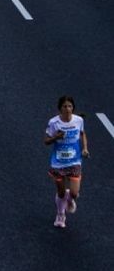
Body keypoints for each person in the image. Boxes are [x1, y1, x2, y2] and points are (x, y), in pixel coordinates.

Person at [45, 95, 89, 229]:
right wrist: (56, 137)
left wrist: (85, 148)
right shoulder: (54, 123)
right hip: (58, 163)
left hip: (75, 161)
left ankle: (70, 199)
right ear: (60, 108)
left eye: (70, 106)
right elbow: (46, 141)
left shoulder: (78, 120)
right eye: (65, 106)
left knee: (74, 193)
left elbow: (82, 133)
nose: (68, 109)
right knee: (61, 192)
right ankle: (60, 214)